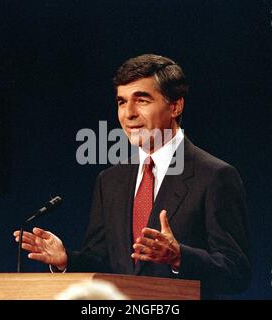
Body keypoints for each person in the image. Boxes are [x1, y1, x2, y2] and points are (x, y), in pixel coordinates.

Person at [14, 54, 251, 298]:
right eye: (121, 102)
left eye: (142, 100)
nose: (128, 114)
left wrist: (179, 257)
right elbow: (105, 265)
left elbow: (236, 272)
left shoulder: (214, 176)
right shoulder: (110, 181)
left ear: (175, 106)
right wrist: (66, 261)